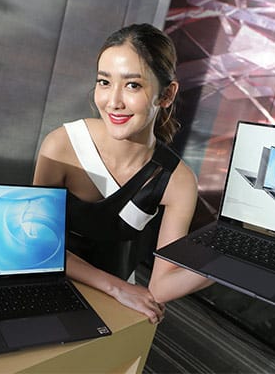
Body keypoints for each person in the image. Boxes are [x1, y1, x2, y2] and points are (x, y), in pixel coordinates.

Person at [33, 23, 213, 324]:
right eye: (104, 82)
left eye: (133, 85)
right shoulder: (62, 145)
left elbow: (162, 286)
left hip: (117, 304)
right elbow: (37, 242)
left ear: (167, 94)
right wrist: (116, 287)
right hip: (49, 282)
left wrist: (231, 261)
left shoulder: (177, 180)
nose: (113, 102)